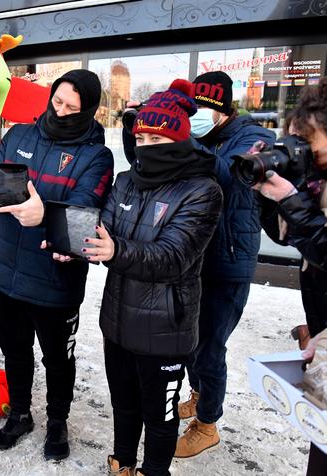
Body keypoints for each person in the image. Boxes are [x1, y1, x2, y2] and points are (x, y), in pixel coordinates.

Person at [0, 69, 114, 460]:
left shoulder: (96, 156)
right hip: (6, 270)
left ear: (88, 111)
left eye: (71, 107)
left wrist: (43, 214)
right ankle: (19, 414)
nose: (61, 111)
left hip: (54, 280)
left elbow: (86, 212)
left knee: (57, 357)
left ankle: (57, 420)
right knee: (14, 351)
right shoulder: (19, 135)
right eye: (57, 102)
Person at [86, 79, 223, 476]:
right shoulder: (127, 179)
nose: (145, 145)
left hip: (165, 328)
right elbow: (103, 227)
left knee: (159, 415)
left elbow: (174, 256)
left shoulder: (203, 190)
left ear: (178, 139)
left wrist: (116, 250)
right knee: (123, 404)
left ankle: (153, 472)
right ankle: (122, 464)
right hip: (117, 320)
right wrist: (70, 239)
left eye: (156, 136)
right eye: (140, 136)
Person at [174, 71, 276, 458]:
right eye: (192, 109)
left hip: (228, 261)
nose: (196, 115)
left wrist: (183, 140)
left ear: (221, 109)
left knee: (210, 348)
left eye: (202, 109)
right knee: (189, 344)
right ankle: (199, 396)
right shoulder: (203, 136)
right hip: (193, 258)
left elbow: (229, 177)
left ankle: (208, 424)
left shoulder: (254, 138)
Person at [255, 77, 327, 476]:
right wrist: (266, 197)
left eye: (309, 144)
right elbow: (296, 239)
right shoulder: (316, 185)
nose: (302, 154)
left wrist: (291, 201)